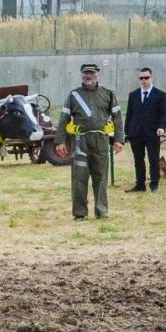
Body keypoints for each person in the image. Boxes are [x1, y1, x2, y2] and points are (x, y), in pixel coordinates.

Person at [54, 61, 123, 220]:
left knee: (101, 177)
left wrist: (119, 139)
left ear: (97, 74)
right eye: (86, 73)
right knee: (79, 178)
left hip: (101, 141)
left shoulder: (108, 94)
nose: (88, 76)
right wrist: (59, 141)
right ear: (82, 75)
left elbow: (117, 118)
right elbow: (64, 118)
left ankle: (101, 211)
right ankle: (79, 213)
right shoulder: (73, 95)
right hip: (80, 142)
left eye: (91, 73)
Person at [124, 66, 166, 192]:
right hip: (136, 133)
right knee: (138, 160)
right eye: (141, 78)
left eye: (146, 77)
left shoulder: (160, 95)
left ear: (151, 77)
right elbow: (129, 114)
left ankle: (154, 184)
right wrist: (127, 133)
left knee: (153, 159)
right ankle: (140, 185)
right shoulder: (133, 95)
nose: (144, 80)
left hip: (152, 133)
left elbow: (164, 114)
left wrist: (161, 127)